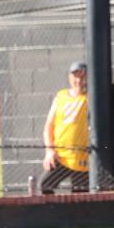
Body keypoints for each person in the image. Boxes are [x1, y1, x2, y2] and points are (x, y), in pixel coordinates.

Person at [41, 62, 90, 194]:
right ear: (69, 77)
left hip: (83, 160)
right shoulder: (61, 96)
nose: (79, 80)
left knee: (80, 197)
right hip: (61, 157)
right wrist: (49, 151)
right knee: (45, 185)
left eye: (83, 76)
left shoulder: (90, 98)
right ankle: (53, 214)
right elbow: (48, 127)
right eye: (75, 76)